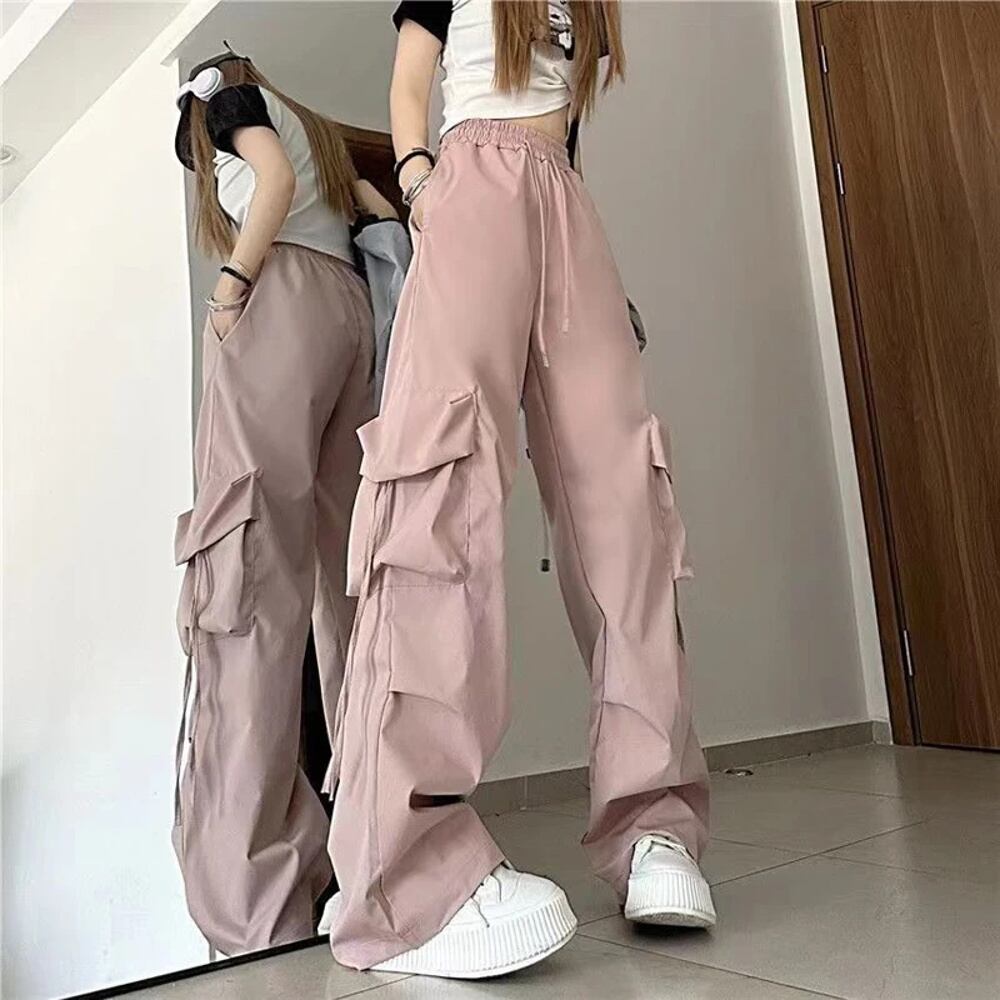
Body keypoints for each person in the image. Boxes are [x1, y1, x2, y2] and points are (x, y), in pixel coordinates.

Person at [326, 0, 713, 979]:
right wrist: (422, 184)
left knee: (622, 498)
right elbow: (409, 84)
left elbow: (565, 124)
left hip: (564, 203)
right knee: (441, 481)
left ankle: (653, 821)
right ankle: (406, 875)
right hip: (470, 182)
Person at [171, 47, 395, 955]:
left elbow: (267, 181)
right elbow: (377, 209)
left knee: (247, 582)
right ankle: (377, 853)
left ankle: (256, 906)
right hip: (350, 315)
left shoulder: (229, 105)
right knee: (349, 587)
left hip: (284, 304)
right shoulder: (326, 142)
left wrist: (232, 289)